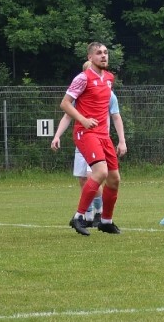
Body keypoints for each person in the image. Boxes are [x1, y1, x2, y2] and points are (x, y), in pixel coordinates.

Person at [52, 61, 127, 225]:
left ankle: (96, 214)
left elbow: (116, 116)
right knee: (83, 178)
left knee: (97, 174)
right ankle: (88, 215)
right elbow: (67, 114)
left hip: (100, 139)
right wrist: (57, 136)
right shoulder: (80, 90)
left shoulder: (108, 92)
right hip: (84, 139)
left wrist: (122, 140)